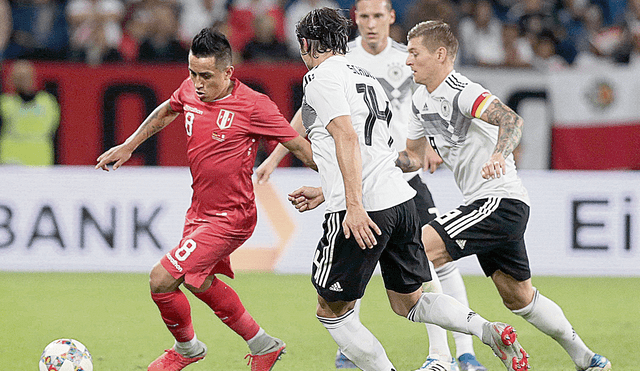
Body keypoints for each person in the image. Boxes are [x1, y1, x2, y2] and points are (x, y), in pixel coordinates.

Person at [288, 8, 529, 371]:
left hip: (363, 208)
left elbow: (348, 136)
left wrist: (351, 204)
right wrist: (326, 189)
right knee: (410, 301)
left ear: (307, 44)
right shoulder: (367, 77)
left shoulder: (320, 78)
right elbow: (379, 149)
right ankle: (486, 329)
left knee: (331, 311)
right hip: (401, 200)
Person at [95, 28, 316, 371]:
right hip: (199, 211)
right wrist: (129, 145)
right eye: (193, 74)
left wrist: (343, 181)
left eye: (206, 76)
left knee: (161, 279)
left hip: (232, 216)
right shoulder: (190, 90)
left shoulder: (254, 105)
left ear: (228, 72)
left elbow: (300, 147)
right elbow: (168, 109)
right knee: (200, 282)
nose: (198, 84)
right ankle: (263, 344)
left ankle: (187, 349)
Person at [398, 19, 612, 371]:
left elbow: (511, 120)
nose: (409, 61)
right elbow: (414, 158)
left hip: (498, 201)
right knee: (519, 297)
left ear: (440, 54)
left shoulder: (462, 90)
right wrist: (376, 161)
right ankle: (587, 358)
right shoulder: (421, 99)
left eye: (414, 53)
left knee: (417, 250)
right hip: (491, 206)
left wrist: (500, 154)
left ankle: (446, 355)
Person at [0, 60, 60, 166]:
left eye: (25, 76)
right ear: (11, 79)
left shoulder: (47, 101)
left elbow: (55, 131)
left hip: (40, 159)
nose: (23, 80)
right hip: (10, 160)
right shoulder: (5, 102)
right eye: (19, 77)